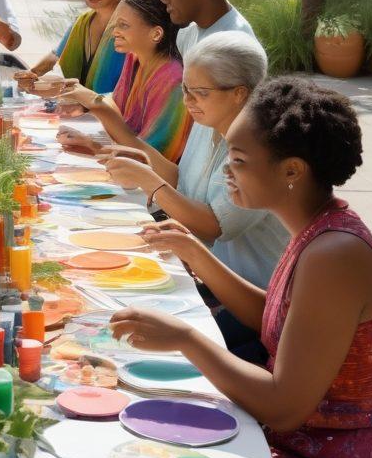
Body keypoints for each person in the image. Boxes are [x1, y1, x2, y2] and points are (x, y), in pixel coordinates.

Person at [102, 78, 372, 458]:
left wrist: (189, 340)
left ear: (292, 170)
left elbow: (285, 407)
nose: (226, 171)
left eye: (237, 159)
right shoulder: (318, 231)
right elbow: (280, 317)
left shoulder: (335, 254)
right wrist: (196, 254)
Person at [99, 32, 287, 359]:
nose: (188, 101)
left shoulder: (260, 150)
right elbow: (180, 181)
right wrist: (133, 156)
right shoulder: (207, 121)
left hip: (254, 297)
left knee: (140, 347)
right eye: (184, 89)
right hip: (220, 284)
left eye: (199, 92)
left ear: (239, 94)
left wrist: (149, 181)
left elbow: (215, 225)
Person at [60, 0, 190, 162]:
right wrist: (83, 106)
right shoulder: (134, 58)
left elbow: (154, 159)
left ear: (156, 33)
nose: (114, 32)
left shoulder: (173, 81)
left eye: (123, 25)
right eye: (115, 25)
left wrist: (94, 142)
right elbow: (116, 106)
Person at [19, 0, 142, 95]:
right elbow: (55, 56)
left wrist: (90, 103)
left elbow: (134, 91)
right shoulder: (83, 22)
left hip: (113, 114)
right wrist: (31, 74)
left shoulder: (133, 33)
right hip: (78, 112)